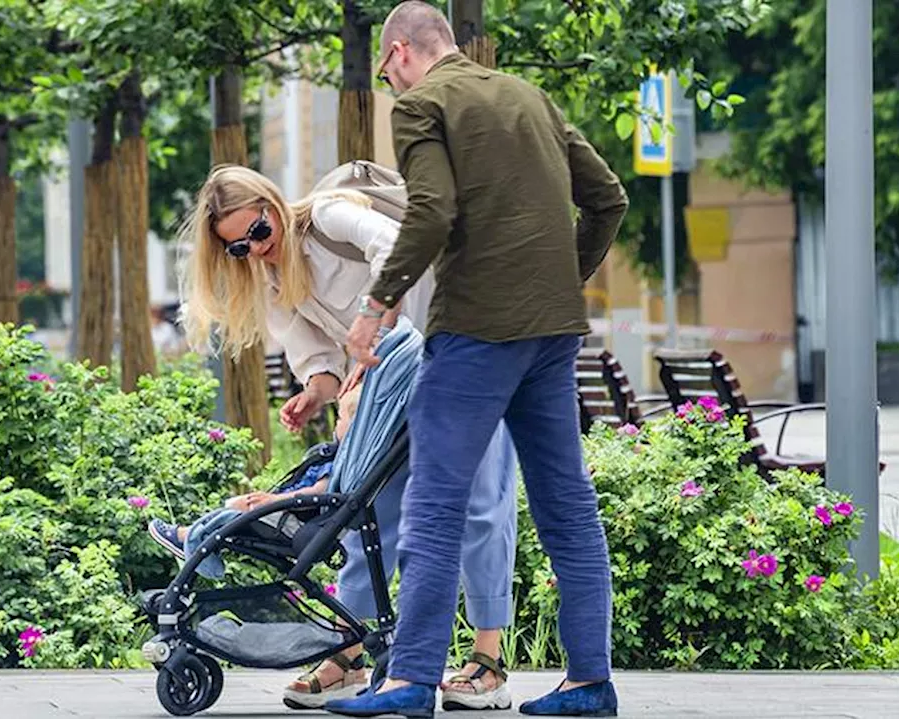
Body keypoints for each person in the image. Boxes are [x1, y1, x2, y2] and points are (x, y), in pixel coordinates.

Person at [330, 3, 629, 718]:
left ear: (401, 52)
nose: (390, 86)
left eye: (386, 71)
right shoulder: (530, 97)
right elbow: (608, 200)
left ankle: (409, 682)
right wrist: (559, 280)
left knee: (435, 504)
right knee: (568, 507)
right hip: (551, 335)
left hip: (474, 336)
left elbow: (429, 211)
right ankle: (590, 682)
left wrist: (376, 306)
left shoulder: (423, 105)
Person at [180, 164, 520, 711]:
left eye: (259, 232)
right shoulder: (269, 279)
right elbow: (315, 353)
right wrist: (316, 390)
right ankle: (352, 649)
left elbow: (394, 248)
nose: (255, 249)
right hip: (390, 380)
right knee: (368, 507)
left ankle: (488, 661)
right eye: (238, 248)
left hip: (463, 342)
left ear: (273, 206)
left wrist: (374, 329)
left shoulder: (328, 215)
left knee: (480, 503)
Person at [147, 384, 362, 560]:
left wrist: (273, 500)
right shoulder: (342, 459)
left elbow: (318, 494)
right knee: (234, 508)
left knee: (238, 510)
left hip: (293, 521)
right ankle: (195, 539)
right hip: (293, 515)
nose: (335, 424)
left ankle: (188, 538)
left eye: (340, 419)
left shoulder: (338, 465)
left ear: (355, 428)